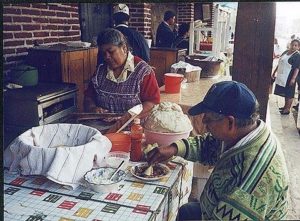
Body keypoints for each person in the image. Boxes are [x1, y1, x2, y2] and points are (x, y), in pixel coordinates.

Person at [147, 81, 289, 220]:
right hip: (214, 209)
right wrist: (174, 148)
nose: (203, 123)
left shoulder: (249, 184)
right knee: (187, 210)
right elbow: (209, 145)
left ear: (230, 122)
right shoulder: (245, 132)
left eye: (208, 119)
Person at [85, 28, 160, 133]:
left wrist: (126, 118)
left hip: (133, 130)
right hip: (103, 130)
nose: (107, 57)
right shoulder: (100, 71)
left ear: (124, 48)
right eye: (103, 53)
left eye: (111, 51)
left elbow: (152, 102)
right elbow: (89, 97)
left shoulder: (143, 71)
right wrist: (93, 108)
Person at [272, 39, 300, 115]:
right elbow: (280, 63)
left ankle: (287, 109)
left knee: (289, 93)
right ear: (290, 44)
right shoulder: (285, 52)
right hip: (282, 75)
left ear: (298, 47)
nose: (293, 47)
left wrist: (293, 78)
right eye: (292, 45)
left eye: (296, 45)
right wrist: (274, 72)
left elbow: (297, 68)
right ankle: (285, 106)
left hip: (290, 76)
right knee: (285, 92)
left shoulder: (297, 55)